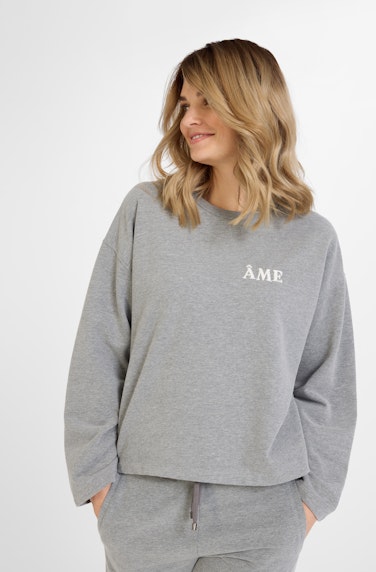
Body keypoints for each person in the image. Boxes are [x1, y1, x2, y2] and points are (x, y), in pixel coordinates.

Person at [64, 39, 357, 572]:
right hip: (141, 511)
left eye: (206, 103)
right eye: (184, 104)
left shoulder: (311, 241)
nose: (188, 120)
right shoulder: (146, 213)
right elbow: (98, 351)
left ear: (252, 107)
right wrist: (99, 485)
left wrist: (310, 502)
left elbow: (327, 382)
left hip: (264, 518)